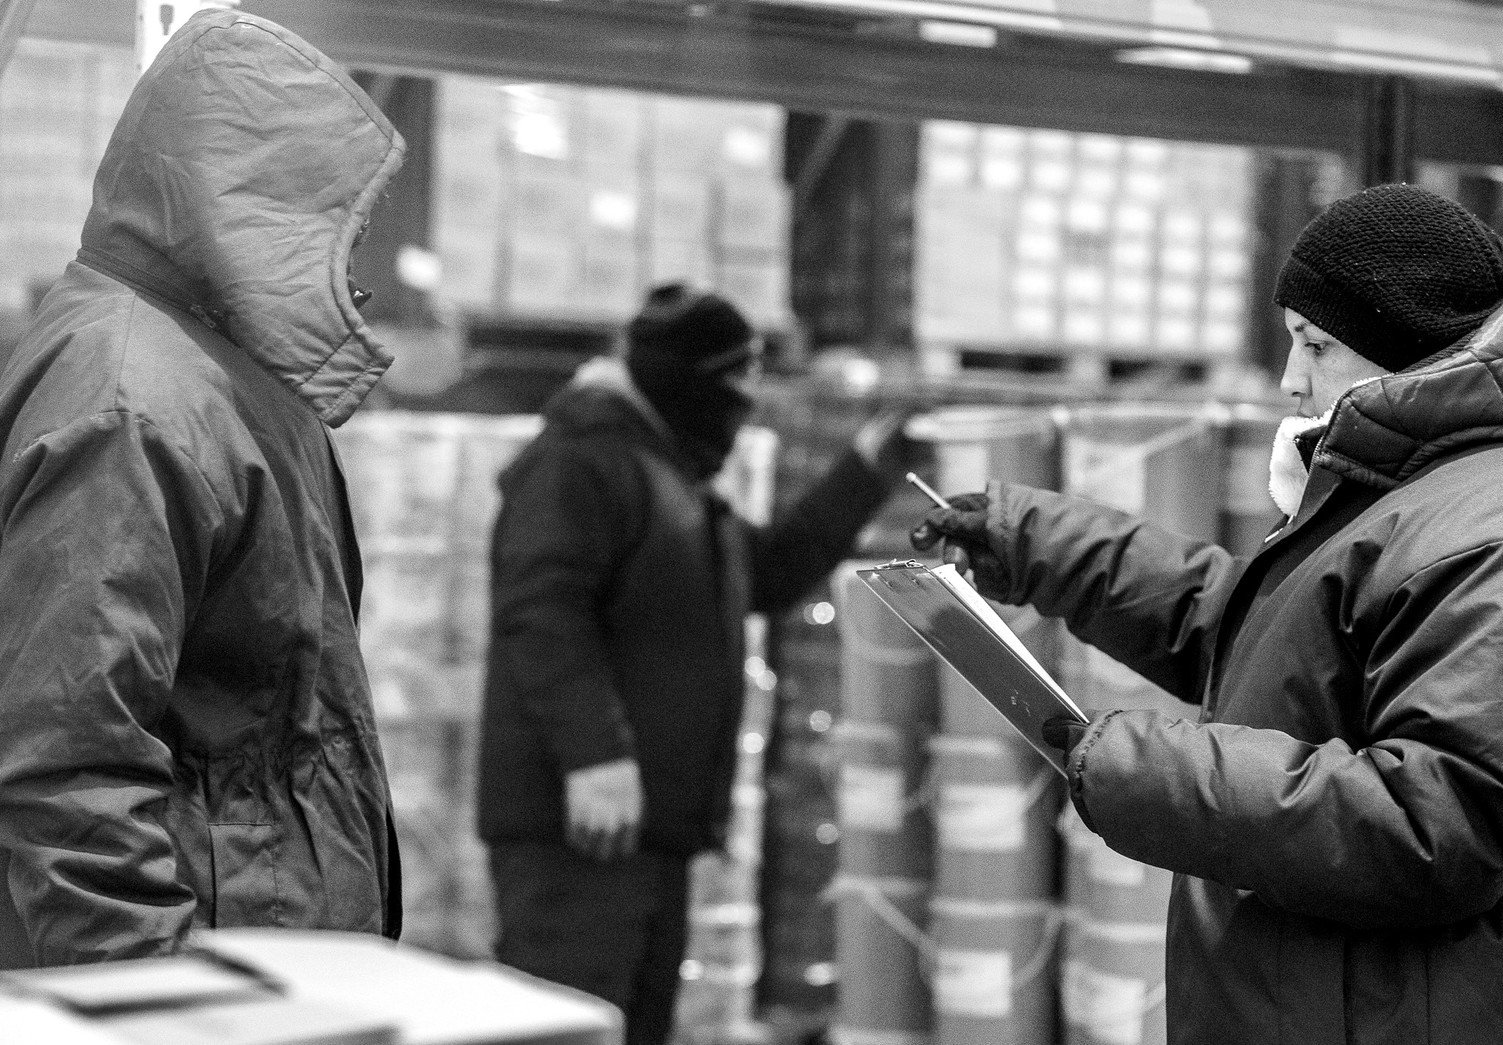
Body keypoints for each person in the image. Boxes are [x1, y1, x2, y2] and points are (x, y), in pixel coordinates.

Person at [912, 183, 1503, 1044]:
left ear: (1404, 342)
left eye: (1315, 343)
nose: (1292, 379)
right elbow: (1266, 640)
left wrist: (1145, 772)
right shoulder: (1424, 494)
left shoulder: (1495, 532)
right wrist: (1034, 540)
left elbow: (1439, 824)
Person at [0, 9, 405, 967]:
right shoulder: (133, 402)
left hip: (258, 962)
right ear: (255, 209)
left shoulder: (218, 378)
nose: (355, 269)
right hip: (202, 978)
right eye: (336, 227)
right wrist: (158, 1008)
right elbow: (64, 761)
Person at [478, 283, 913, 1045]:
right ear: (682, 377)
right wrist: (594, 754)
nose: (742, 402)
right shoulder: (580, 463)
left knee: (634, 1028)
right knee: (568, 1028)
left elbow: (770, 571)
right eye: (733, 382)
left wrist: (867, 469)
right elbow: (541, 611)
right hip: (580, 832)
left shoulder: (669, 477)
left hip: (645, 832)